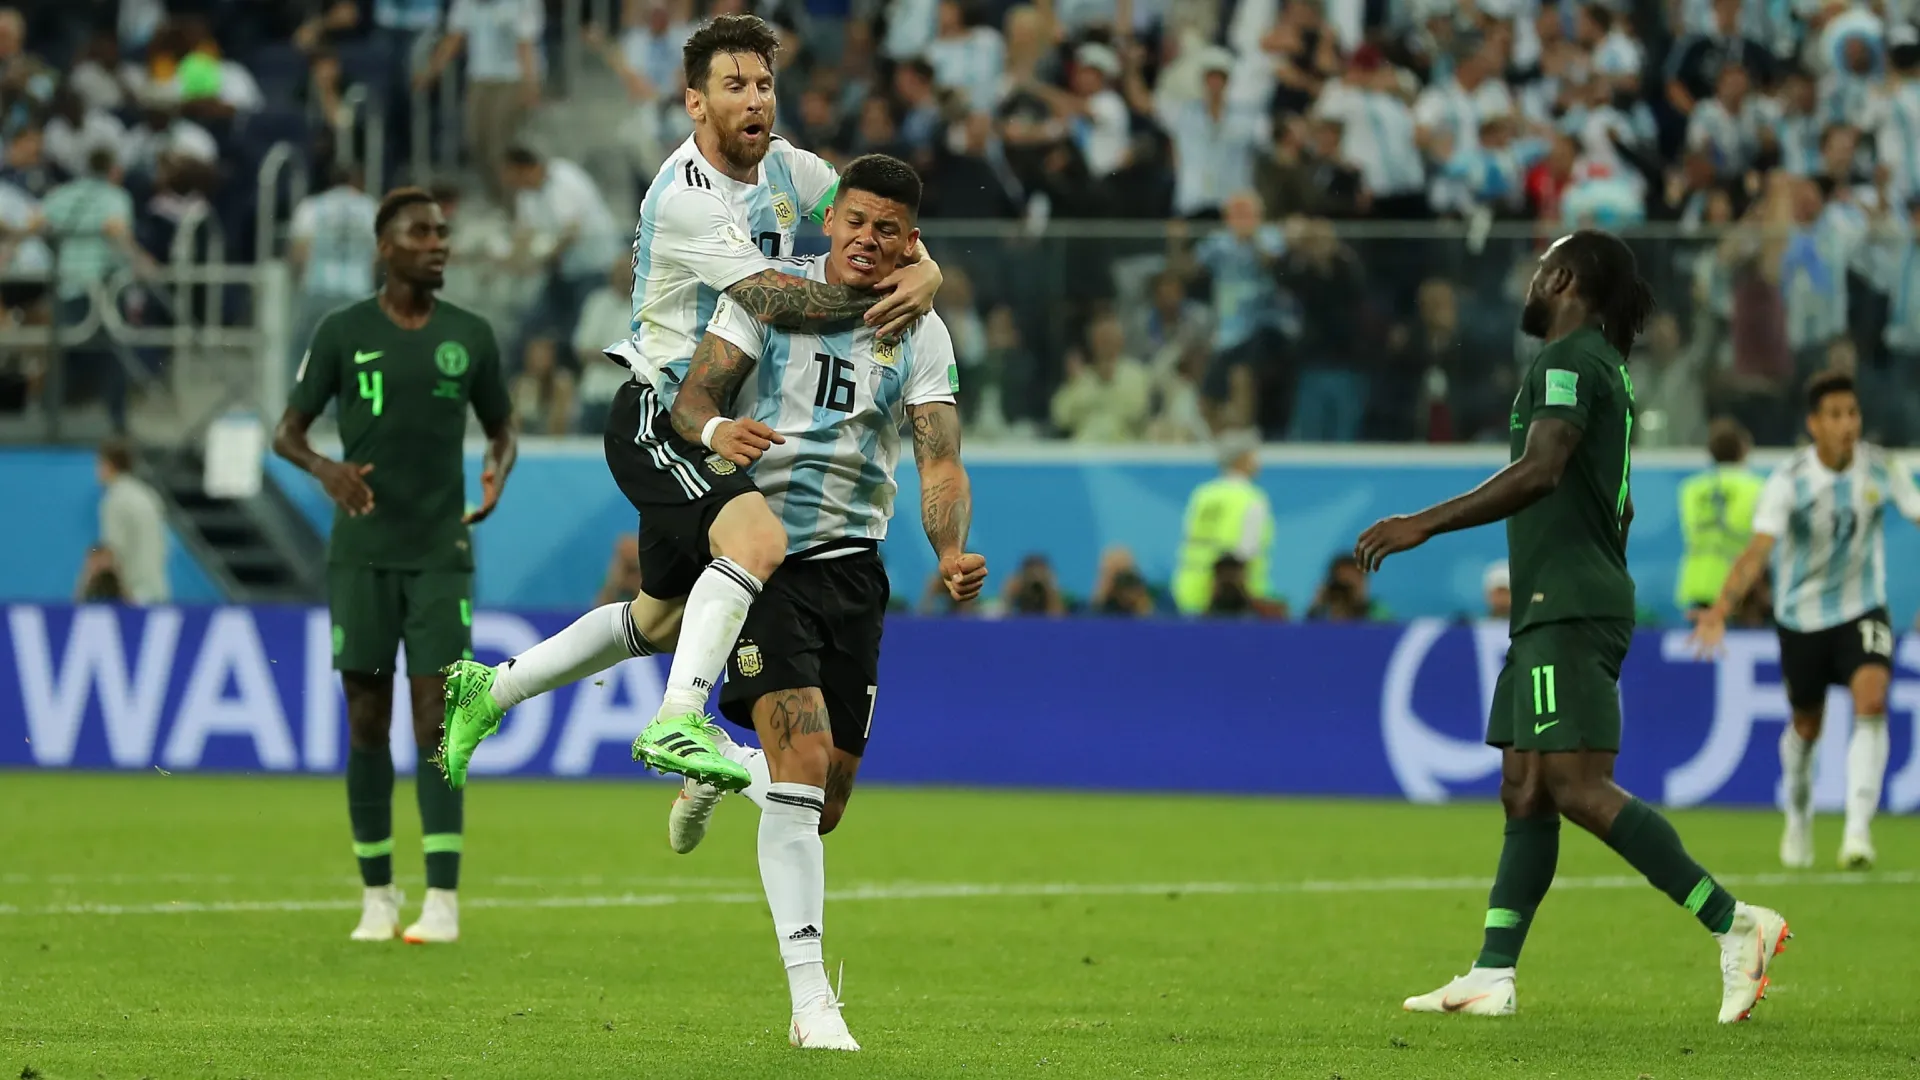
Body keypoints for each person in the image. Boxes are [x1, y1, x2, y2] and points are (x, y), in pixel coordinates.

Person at [435, 14, 944, 794]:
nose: (755, 100)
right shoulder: (686, 196)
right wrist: (902, 292)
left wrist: (925, 269)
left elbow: (872, 220)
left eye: (765, 84)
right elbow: (775, 297)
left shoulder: (788, 168)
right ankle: (679, 717)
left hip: (719, 424)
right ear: (695, 104)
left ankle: (491, 690)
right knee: (756, 540)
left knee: (659, 619)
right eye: (734, 85)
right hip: (664, 410)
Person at [1355, 230, 1788, 1023]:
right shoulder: (1605, 370)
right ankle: (1492, 972)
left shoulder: (1566, 362)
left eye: (1537, 269)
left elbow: (1544, 467)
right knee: (1524, 787)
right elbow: (1614, 503)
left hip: (1567, 607)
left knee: (1574, 785)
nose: (1528, 282)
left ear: (1562, 278)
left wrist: (1425, 521)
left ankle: (1735, 924)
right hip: (1557, 602)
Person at [665, 154, 984, 1051]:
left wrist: (951, 548)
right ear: (829, 219)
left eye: (888, 229)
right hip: (762, 557)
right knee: (803, 764)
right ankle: (812, 1002)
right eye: (855, 221)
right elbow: (691, 400)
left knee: (825, 797)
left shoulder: (919, 330)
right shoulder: (769, 296)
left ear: (909, 241)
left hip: (854, 571)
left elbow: (939, 457)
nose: (867, 240)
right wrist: (723, 428)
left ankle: (723, 769)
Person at [271, 187, 517, 946]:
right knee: (367, 720)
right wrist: (325, 469)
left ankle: (441, 901)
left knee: (438, 722)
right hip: (362, 553)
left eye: (443, 232)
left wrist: (497, 469)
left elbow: (503, 429)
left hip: (440, 554)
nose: (438, 243)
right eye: (422, 233)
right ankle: (378, 895)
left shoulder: (470, 336)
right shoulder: (343, 331)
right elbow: (286, 432)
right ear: (386, 248)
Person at [1691, 370, 1920, 872]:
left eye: (1852, 413)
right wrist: (1720, 610)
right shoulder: (1790, 481)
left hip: (1862, 606)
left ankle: (1858, 830)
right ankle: (1797, 813)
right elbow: (1758, 552)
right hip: (1802, 620)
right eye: (1835, 415)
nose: (1847, 425)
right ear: (1814, 424)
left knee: (1873, 698)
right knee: (1807, 725)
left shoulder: (1881, 469)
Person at [1171, 430, 1271, 614]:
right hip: (1234, 597)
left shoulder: (1202, 495)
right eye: (1254, 456)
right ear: (1241, 459)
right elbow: (1247, 550)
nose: (1258, 463)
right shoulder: (1251, 498)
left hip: (1189, 591)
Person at [1675, 418, 1762, 614]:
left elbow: (1690, 530)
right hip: (1742, 585)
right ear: (1743, 449)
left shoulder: (1691, 489)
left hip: (1699, 581)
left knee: (1704, 643)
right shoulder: (1756, 488)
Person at [95, 437, 169, 604]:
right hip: (158, 588)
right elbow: (164, 545)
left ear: (109, 465)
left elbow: (112, 552)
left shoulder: (114, 500)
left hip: (133, 594)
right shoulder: (148, 495)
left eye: (99, 464)